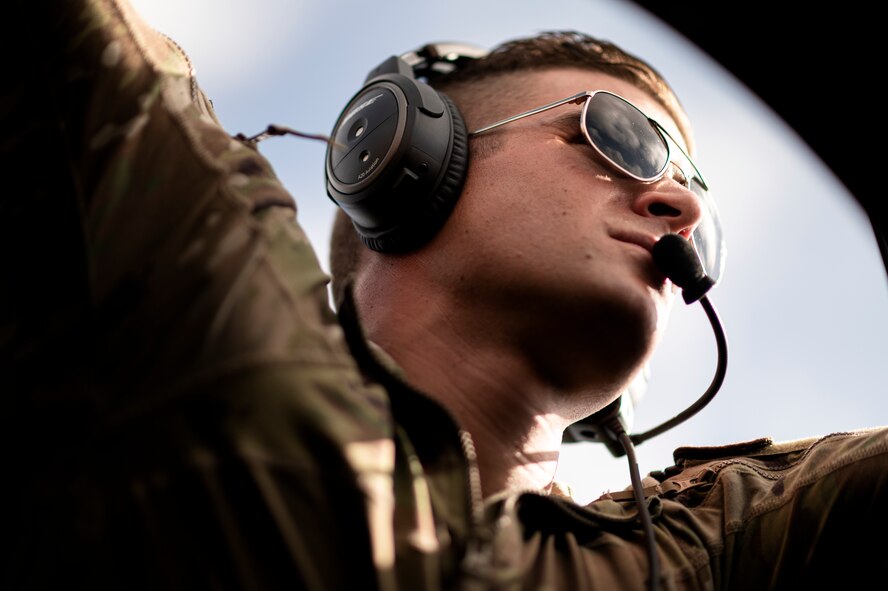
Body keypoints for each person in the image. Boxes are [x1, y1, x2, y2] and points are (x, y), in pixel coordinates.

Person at [4, 1, 888, 590]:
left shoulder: (709, 549)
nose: (683, 210)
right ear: (404, 156)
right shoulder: (194, 277)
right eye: (624, 139)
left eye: (703, 211)